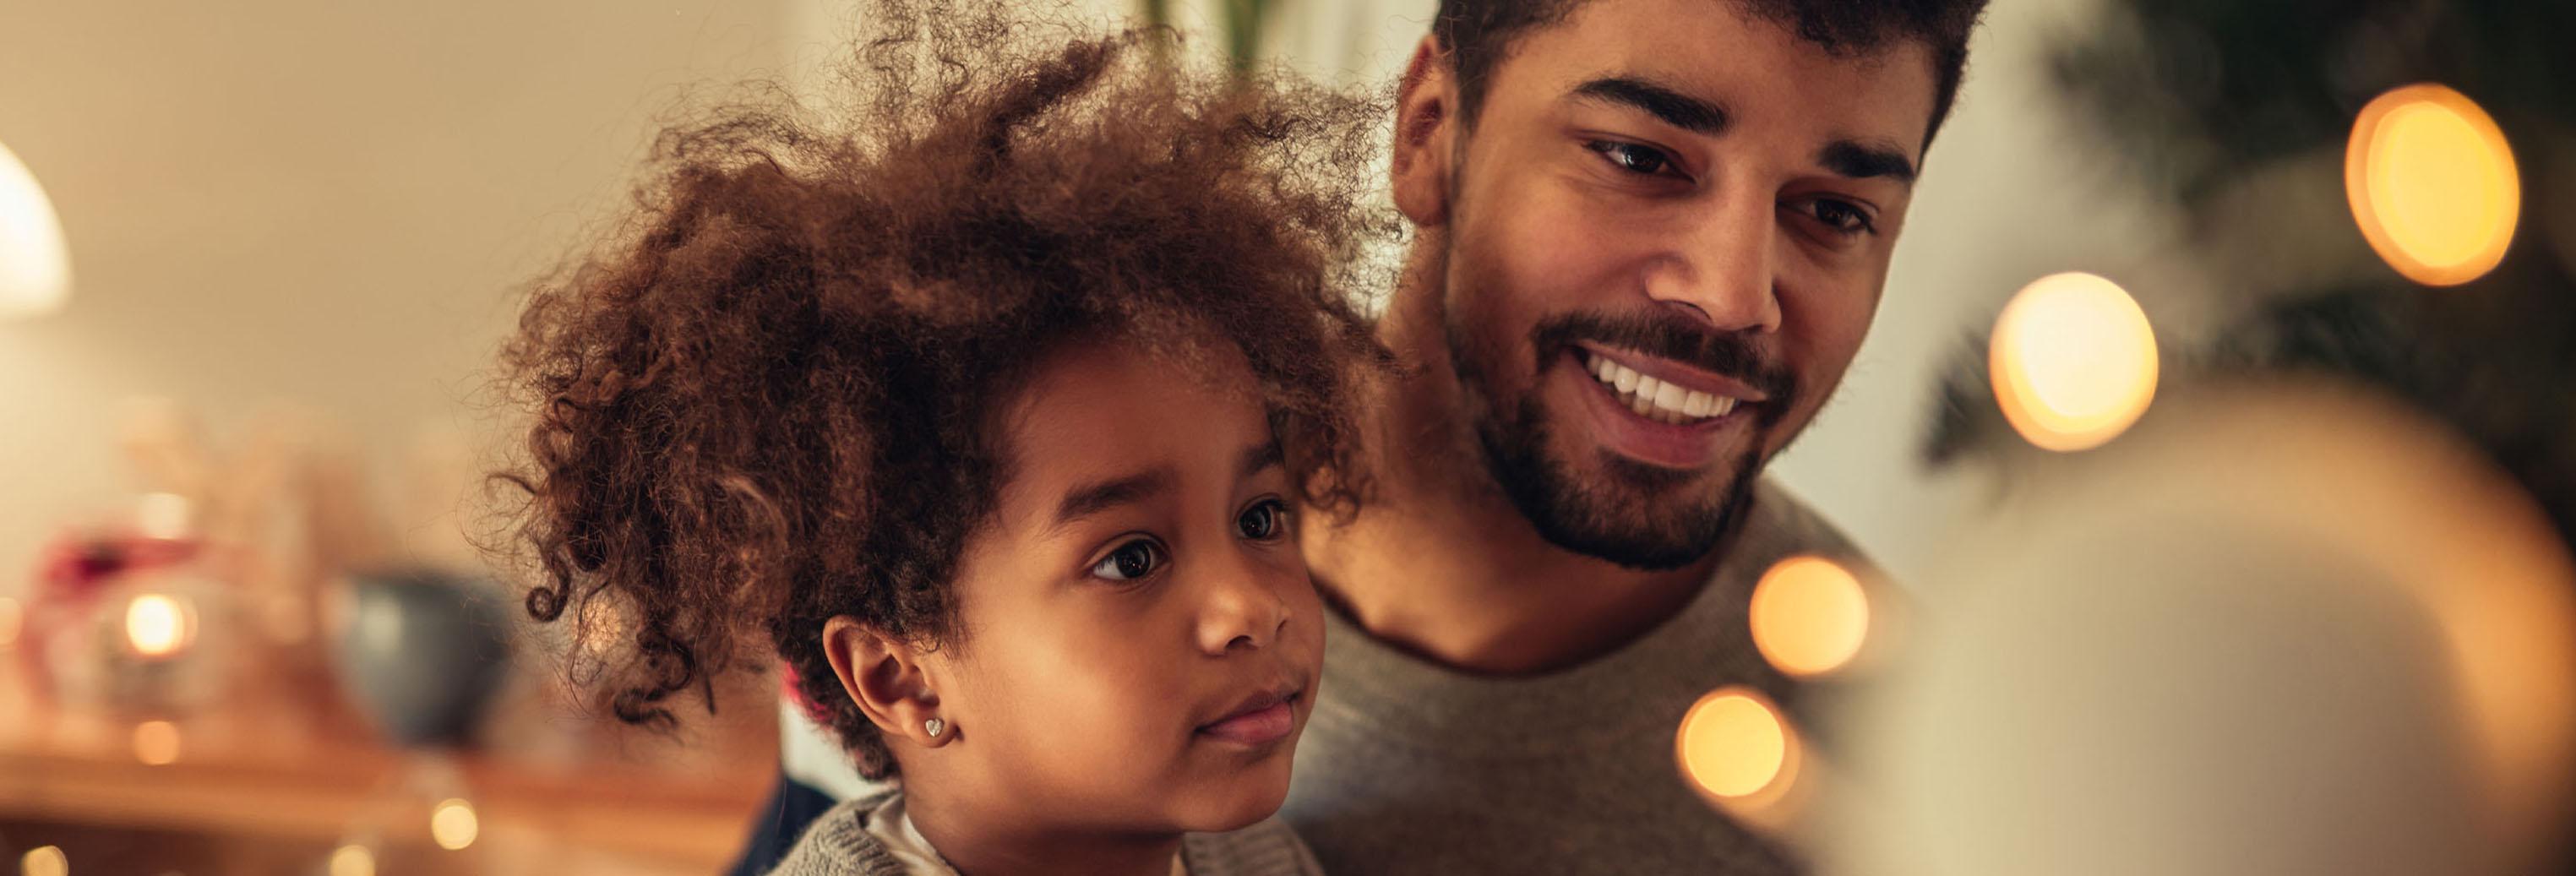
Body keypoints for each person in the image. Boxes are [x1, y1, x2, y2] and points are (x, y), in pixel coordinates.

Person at [743, 1, 1991, 873]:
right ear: (1430, 132)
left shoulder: (1917, 768)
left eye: (1833, 211)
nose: (1732, 295)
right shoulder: (929, 528)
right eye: (1637, 156)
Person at [496, 4, 1393, 873]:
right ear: (899, 678)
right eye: (1131, 558)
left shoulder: (1260, 859)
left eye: (1261, 517)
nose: (1251, 606)